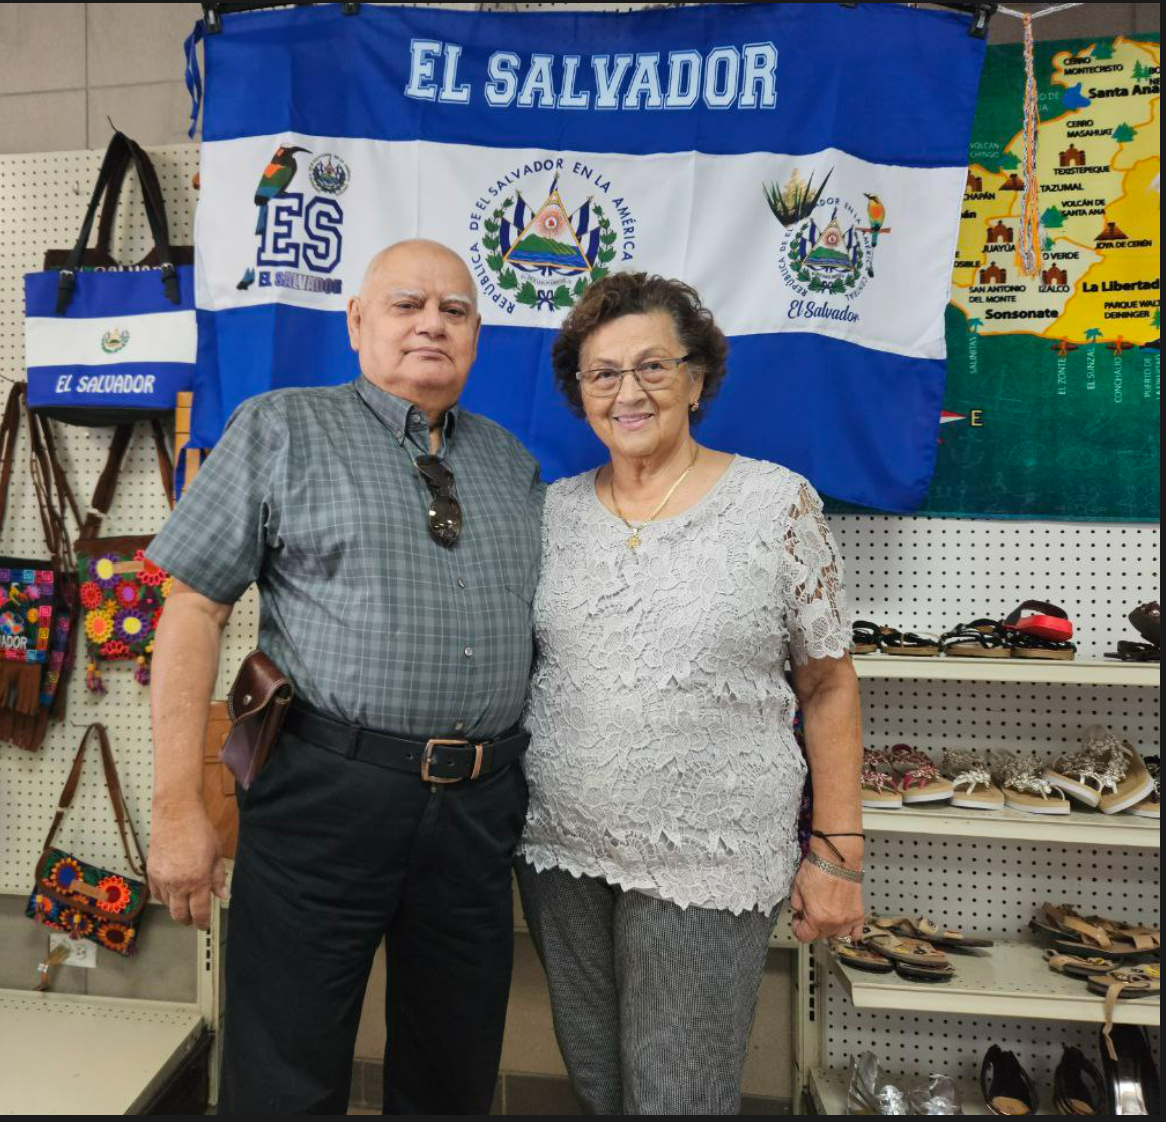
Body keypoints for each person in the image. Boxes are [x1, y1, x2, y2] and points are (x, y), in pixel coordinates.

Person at [143, 239, 544, 1115]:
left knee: (453, 1072)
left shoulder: (511, 463)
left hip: (478, 812)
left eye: (455, 309)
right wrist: (177, 804)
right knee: (284, 1071)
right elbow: (191, 611)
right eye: (406, 305)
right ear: (357, 322)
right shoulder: (281, 424)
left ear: (478, 334)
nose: (431, 324)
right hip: (324, 796)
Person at [516, 272, 866, 1115]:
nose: (626, 392)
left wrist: (837, 854)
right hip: (559, 847)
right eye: (602, 373)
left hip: (706, 853)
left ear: (697, 378)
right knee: (599, 1083)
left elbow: (826, 684)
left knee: (680, 1095)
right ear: (579, 392)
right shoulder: (549, 512)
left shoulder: (774, 503)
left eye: (652, 367)